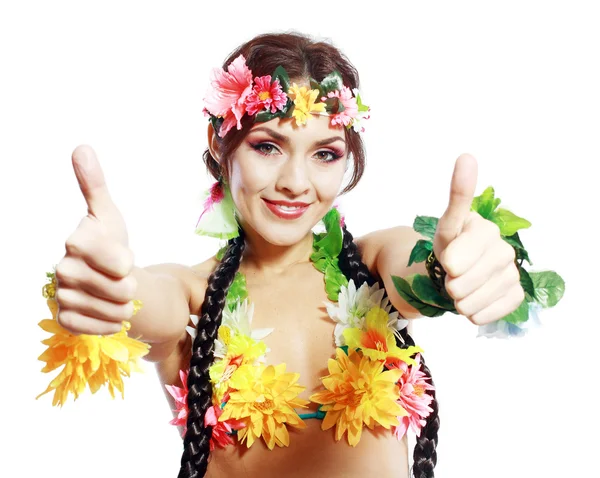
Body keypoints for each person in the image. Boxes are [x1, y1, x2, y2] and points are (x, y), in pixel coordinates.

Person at [47, 31, 526, 478]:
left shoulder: (374, 263)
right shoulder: (193, 294)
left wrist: (452, 268)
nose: (296, 182)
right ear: (220, 144)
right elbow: (153, 304)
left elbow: (418, 266)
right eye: (268, 146)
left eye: (325, 154)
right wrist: (116, 289)